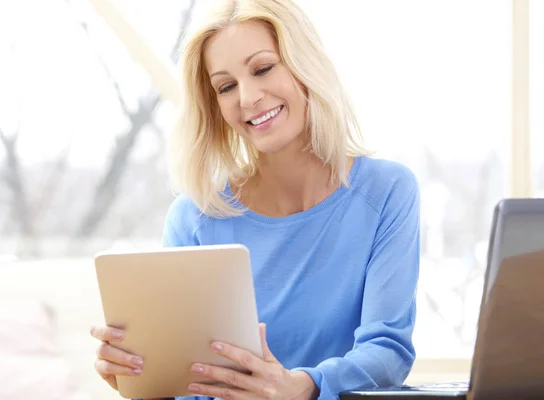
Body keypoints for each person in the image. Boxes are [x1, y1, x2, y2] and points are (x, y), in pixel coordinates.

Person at [90, 0, 421, 399]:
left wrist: (302, 388)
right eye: (226, 86)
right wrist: (140, 377)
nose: (247, 97)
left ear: (304, 65)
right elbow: (187, 386)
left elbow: (388, 353)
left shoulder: (386, 192)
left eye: (263, 68)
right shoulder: (196, 217)